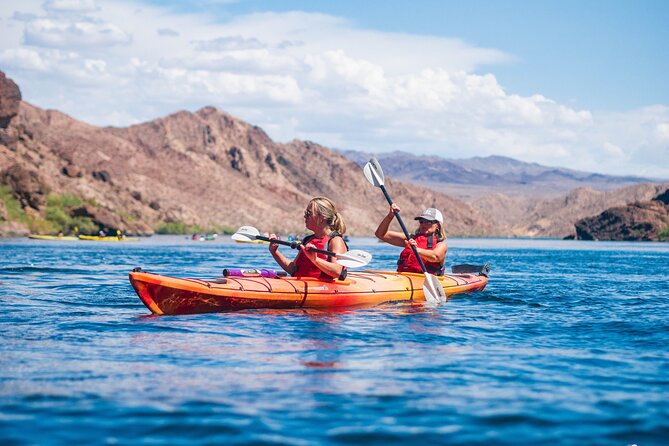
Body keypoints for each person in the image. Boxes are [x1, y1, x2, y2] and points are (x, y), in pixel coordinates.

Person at [269, 197, 348, 280]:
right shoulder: (307, 240)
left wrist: (315, 260)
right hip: (300, 287)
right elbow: (293, 269)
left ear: (322, 218)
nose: (305, 216)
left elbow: (337, 272)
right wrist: (274, 251)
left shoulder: (335, 241)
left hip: (321, 290)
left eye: (308, 213)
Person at [375, 204, 447, 275]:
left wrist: (416, 249)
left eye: (428, 222)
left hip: (427, 281)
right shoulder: (410, 238)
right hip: (405, 278)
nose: (423, 224)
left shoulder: (441, 245)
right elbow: (380, 234)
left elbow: (435, 256)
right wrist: (390, 216)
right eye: (421, 221)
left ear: (438, 225)